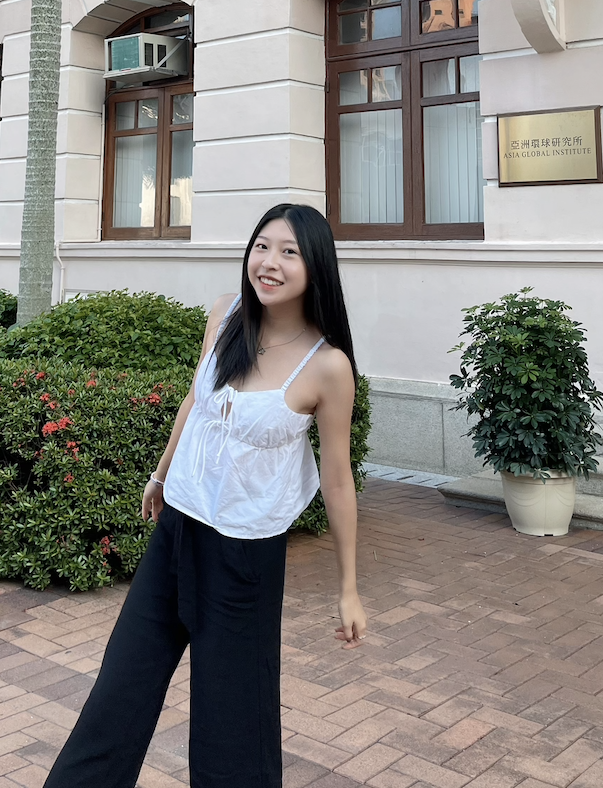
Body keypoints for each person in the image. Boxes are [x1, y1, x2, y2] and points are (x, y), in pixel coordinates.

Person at [43, 202, 366, 788]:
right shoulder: (226, 315)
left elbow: (338, 480)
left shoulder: (328, 367)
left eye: (289, 252)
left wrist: (348, 588)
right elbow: (197, 403)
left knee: (234, 723)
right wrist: (161, 475)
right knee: (121, 687)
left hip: (246, 556)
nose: (269, 262)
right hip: (178, 531)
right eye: (262, 245)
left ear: (315, 267)